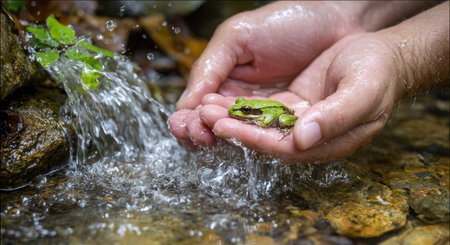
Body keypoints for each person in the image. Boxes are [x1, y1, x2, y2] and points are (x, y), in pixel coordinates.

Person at [168, 1, 449, 162]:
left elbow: (267, 118)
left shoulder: (261, 115)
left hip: (281, 114)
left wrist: (403, 58)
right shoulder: (245, 106)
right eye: (242, 108)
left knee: (282, 123)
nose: (240, 110)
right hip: (277, 104)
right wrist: (344, 12)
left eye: (244, 110)